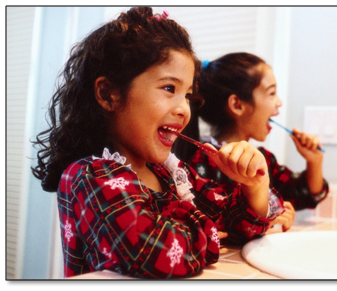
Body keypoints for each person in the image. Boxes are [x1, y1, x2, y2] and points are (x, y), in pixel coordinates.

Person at [31, 8, 285, 279]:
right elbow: (157, 255)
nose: (184, 109)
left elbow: (239, 224)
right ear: (109, 94)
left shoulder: (170, 173)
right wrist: (210, 229)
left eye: (187, 95)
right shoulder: (88, 177)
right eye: (169, 88)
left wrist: (255, 185)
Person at [173, 52, 329, 232]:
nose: (279, 103)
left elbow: (306, 194)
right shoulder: (203, 160)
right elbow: (207, 220)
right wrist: (264, 218)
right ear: (237, 105)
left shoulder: (264, 161)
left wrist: (314, 161)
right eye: (271, 93)